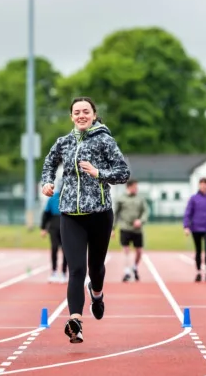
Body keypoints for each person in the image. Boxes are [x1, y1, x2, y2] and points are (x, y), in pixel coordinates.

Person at [41, 96, 130, 344]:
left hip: (100, 214)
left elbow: (123, 172)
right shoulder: (63, 142)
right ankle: (76, 322)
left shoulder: (105, 140)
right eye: (77, 112)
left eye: (86, 112)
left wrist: (98, 173)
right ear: (71, 116)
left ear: (93, 115)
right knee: (76, 269)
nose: (81, 115)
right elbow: (48, 165)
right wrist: (47, 182)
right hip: (70, 215)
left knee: (96, 269)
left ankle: (97, 293)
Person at [183, 177, 206, 282]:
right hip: (196, 228)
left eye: (205, 184)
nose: (203, 186)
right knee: (198, 251)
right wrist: (186, 226)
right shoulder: (194, 198)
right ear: (199, 185)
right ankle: (199, 272)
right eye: (201, 184)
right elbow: (188, 213)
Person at [112, 179, 149, 282]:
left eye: (137, 187)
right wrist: (113, 228)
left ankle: (135, 267)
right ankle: (127, 271)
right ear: (128, 187)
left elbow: (145, 211)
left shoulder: (140, 199)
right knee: (126, 250)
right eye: (134, 187)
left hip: (137, 229)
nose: (136, 189)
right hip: (125, 228)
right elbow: (116, 214)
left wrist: (141, 221)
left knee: (139, 251)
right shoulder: (120, 199)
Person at [40, 180, 67, 283]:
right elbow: (46, 213)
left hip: (66, 225)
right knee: (54, 248)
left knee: (66, 250)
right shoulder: (52, 198)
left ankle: (64, 272)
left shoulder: (69, 197)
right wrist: (43, 228)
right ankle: (54, 271)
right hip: (54, 226)